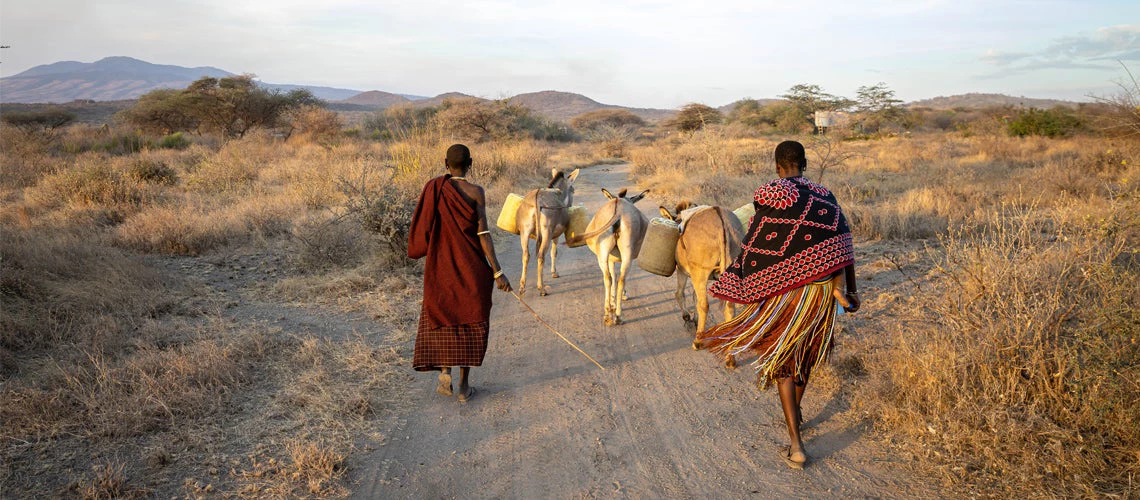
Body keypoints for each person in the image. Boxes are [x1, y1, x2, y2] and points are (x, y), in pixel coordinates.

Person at [699, 140, 860, 469]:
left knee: (784, 362)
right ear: (805, 163)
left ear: (777, 166)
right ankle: (797, 412)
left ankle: (797, 444)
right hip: (818, 292)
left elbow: (757, 240)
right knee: (805, 355)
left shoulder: (773, 193)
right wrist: (842, 284)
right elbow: (839, 238)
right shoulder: (824, 194)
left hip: (783, 293)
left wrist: (748, 278)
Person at [407, 144, 512, 403]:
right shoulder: (476, 192)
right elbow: (483, 234)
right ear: (471, 163)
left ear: (445, 163)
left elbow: (423, 231)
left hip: (440, 267)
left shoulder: (434, 189)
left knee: (443, 314)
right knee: (470, 317)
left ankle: (445, 370)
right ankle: (464, 386)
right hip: (471, 267)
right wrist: (498, 272)